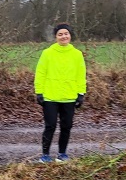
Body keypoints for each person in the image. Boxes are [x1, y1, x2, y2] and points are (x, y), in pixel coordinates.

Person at [33, 23, 86, 163]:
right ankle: (45, 155)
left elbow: (81, 75)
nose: (63, 36)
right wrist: (39, 92)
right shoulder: (47, 53)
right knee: (50, 126)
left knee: (66, 126)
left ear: (70, 35)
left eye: (66, 33)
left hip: (69, 97)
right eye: (60, 34)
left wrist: (81, 93)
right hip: (50, 97)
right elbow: (40, 73)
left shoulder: (77, 54)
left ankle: (62, 154)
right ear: (56, 37)